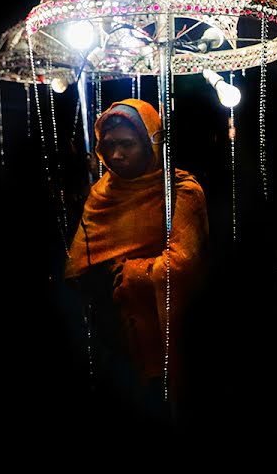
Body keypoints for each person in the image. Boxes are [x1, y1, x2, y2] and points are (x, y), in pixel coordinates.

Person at [64, 98, 209, 421]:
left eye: (128, 144)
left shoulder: (180, 192)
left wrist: (126, 273)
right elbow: (79, 262)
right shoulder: (102, 192)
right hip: (107, 339)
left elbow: (182, 266)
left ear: (150, 143)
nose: (116, 155)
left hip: (159, 339)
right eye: (110, 145)